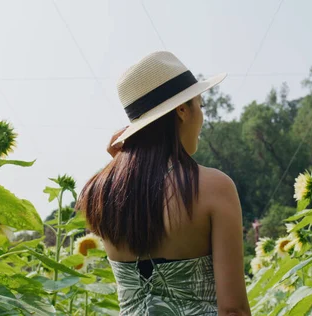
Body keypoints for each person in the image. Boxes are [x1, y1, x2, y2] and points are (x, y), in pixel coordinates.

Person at [76, 51, 251, 316]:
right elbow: (233, 309)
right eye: (200, 105)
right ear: (182, 110)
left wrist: (118, 164)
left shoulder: (98, 193)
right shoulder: (214, 188)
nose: (202, 118)